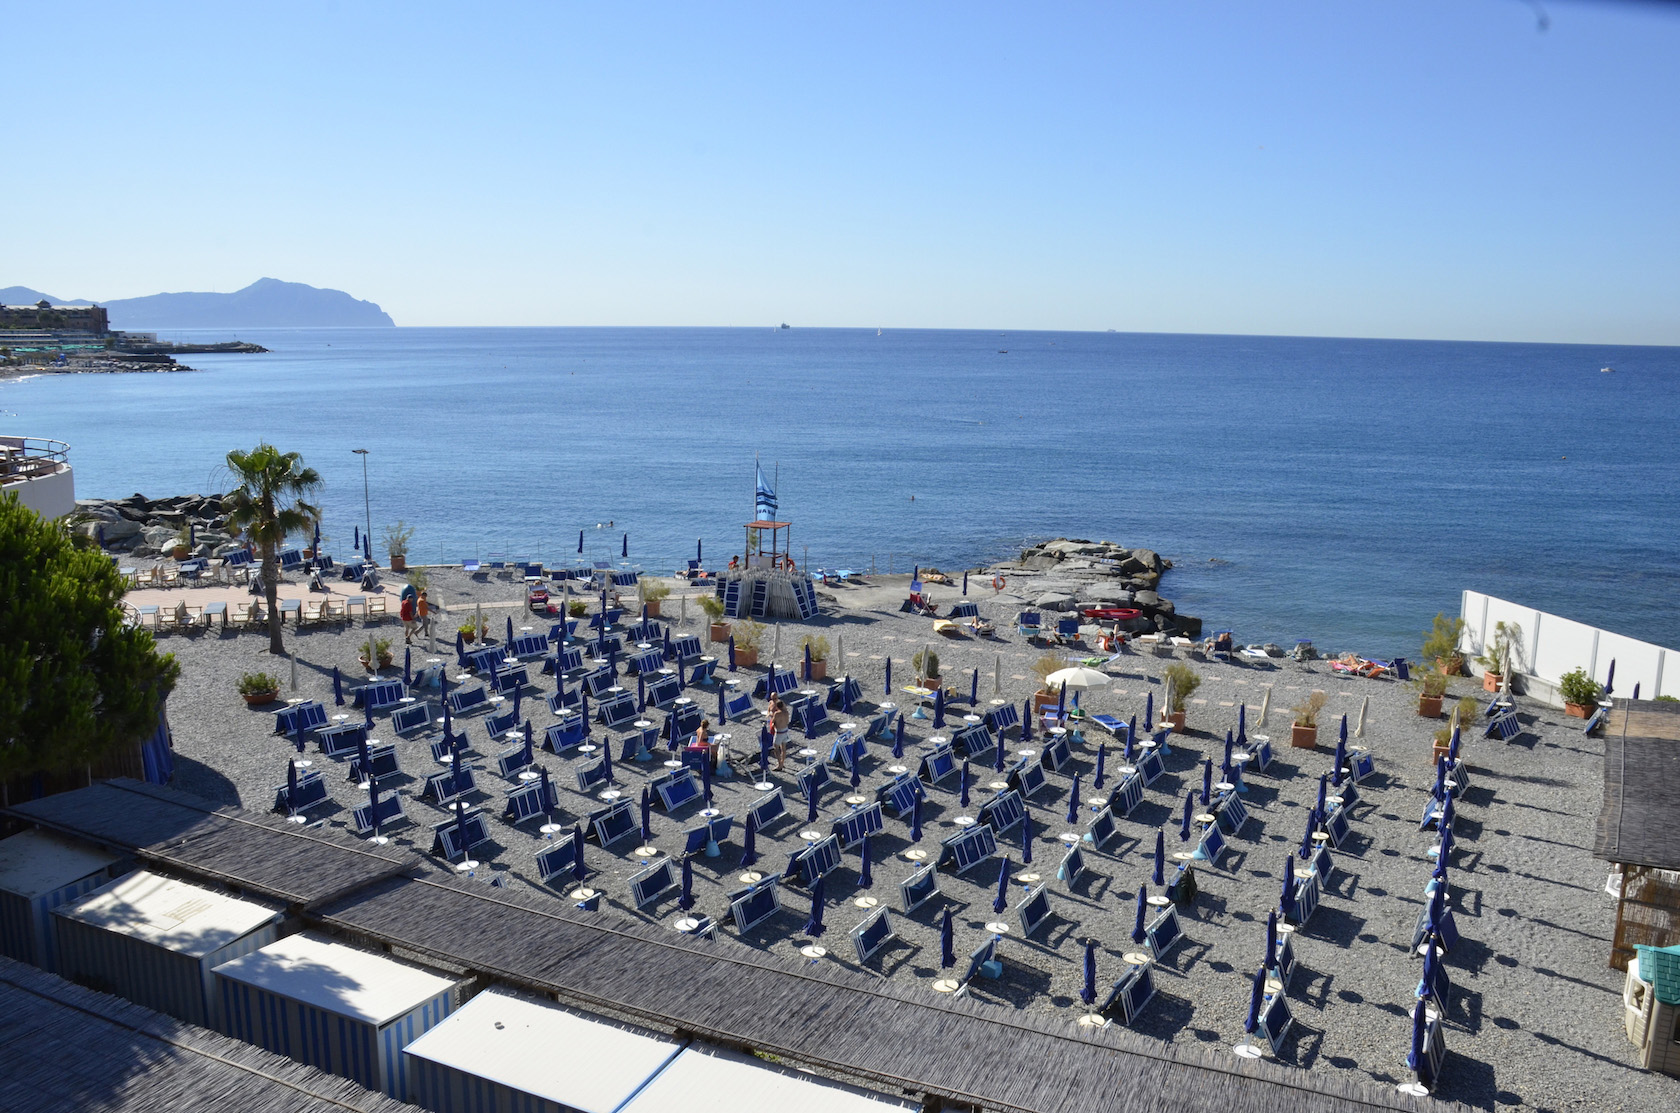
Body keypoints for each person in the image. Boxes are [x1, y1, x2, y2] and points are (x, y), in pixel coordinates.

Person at [769, 693, 791, 771]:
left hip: (779, 732)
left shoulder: (777, 714)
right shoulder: (786, 713)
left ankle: (779, 765)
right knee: (783, 748)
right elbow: (788, 722)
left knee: (776, 748)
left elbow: (773, 721)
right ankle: (782, 762)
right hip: (785, 730)